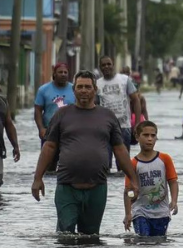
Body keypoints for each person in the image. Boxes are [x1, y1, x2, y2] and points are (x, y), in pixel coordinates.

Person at [32, 70, 138, 234]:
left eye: (88, 87)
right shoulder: (62, 115)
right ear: (73, 90)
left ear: (95, 90)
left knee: (91, 237)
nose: (83, 90)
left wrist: (133, 178)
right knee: (65, 234)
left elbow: (120, 149)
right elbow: (49, 147)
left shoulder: (107, 116)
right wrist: (38, 178)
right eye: (80, 87)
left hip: (97, 188)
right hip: (67, 187)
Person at [122, 121, 179, 237]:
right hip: (140, 211)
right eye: (146, 135)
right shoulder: (133, 163)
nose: (150, 139)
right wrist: (128, 213)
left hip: (162, 212)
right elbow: (128, 191)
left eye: (153, 136)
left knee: (159, 242)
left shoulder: (165, 159)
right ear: (137, 137)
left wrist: (174, 201)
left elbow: (172, 182)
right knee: (144, 240)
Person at [97, 56, 142, 147]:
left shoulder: (125, 80)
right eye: (103, 65)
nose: (106, 67)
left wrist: (137, 124)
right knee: (106, 159)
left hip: (124, 127)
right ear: (100, 67)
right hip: (105, 128)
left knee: (123, 159)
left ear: (113, 65)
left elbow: (136, 101)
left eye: (109, 64)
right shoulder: (97, 84)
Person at [34, 62, 76, 141]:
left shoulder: (75, 89)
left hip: (70, 131)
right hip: (49, 131)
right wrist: (41, 129)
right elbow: (37, 111)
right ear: (54, 74)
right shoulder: (43, 90)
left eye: (65, 72)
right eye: (60, 72)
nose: (63, 74)